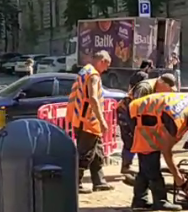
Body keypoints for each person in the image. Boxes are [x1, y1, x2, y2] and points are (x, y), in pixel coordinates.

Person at [129, 91, 188, 211]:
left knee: (146, 166)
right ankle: (160, 201)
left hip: (147, 114)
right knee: (151, 163)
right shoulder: (175, 121)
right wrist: (177, 176)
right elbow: (166, 150)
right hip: (135, 116)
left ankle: (139, 201)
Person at [66, 50, 114, 193]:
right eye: (107, 65)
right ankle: (75, 183)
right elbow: (93, 98)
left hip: (80, 118)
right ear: (102, 61)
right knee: (85, 153)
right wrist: (102, 120)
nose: (106, 69)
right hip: (88, 121)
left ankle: (99, 181)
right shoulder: (93, 75)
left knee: (97, 152)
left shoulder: (84, 71)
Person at [118, 72, 176, 176]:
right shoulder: (144, 88)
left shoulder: (158, 87)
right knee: (131, 139)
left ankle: (147, 164)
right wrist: (137, 127)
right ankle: (126, 166)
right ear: (162, 83)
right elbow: (135, 107)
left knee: (148, 139)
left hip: (142, 114)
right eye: (167, 89)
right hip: (127, 112)